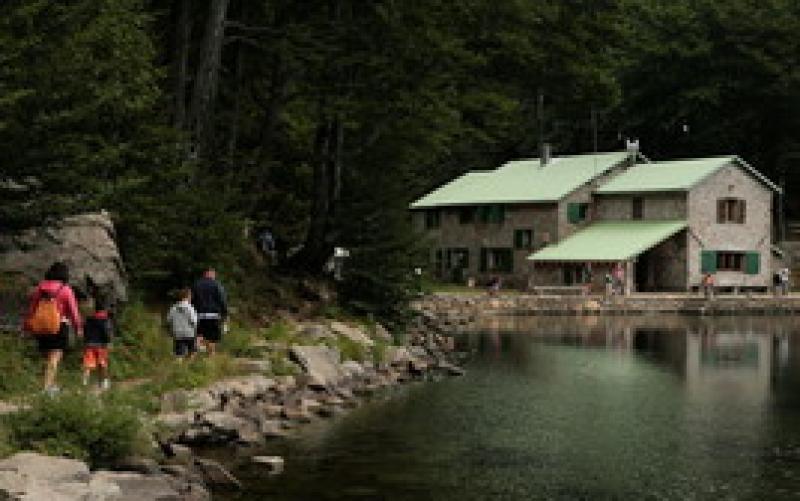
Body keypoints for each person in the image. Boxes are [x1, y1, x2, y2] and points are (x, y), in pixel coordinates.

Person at [25, 261, 83, 394]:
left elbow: (32, 308)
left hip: (41, 325)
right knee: (55, 356)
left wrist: (27, 325)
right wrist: (78, 327)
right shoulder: (65, 289)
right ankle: (47, 387)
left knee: (47, 355)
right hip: (59, 325)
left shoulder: (40, 287)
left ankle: (49, 384)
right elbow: (73, 311)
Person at [191, 268, 228, 355]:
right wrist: (225, 313)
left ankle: (195, 353)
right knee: (212, 338)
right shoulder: (217, 285)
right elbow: (222, 300)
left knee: (199, 334)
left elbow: (191, 300)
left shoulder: (196, 285)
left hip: (198, 315)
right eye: (214, 274)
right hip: (213, 315)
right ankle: (211, 356)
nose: (215, 277)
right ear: (210, 274)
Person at [82, 295, 113, 390]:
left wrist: (86, 340)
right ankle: (104, 382)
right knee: (102, 364)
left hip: (89, 345)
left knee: (88, 365)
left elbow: (85, 331)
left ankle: (84, 382)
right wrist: (109, 342)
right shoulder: (105, 319)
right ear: (104, 309)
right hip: (101, 346)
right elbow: (106, 332)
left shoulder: (89, 319)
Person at [167, 288, 198, 360]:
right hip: (189, 333)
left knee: (179, 352)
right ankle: (189, 365)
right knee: (192, 351)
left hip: (177, 333)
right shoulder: (190, 308)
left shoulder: (173, 308)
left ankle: (179, 366)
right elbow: (194, 321)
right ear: (187, 296)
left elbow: (169, 320)